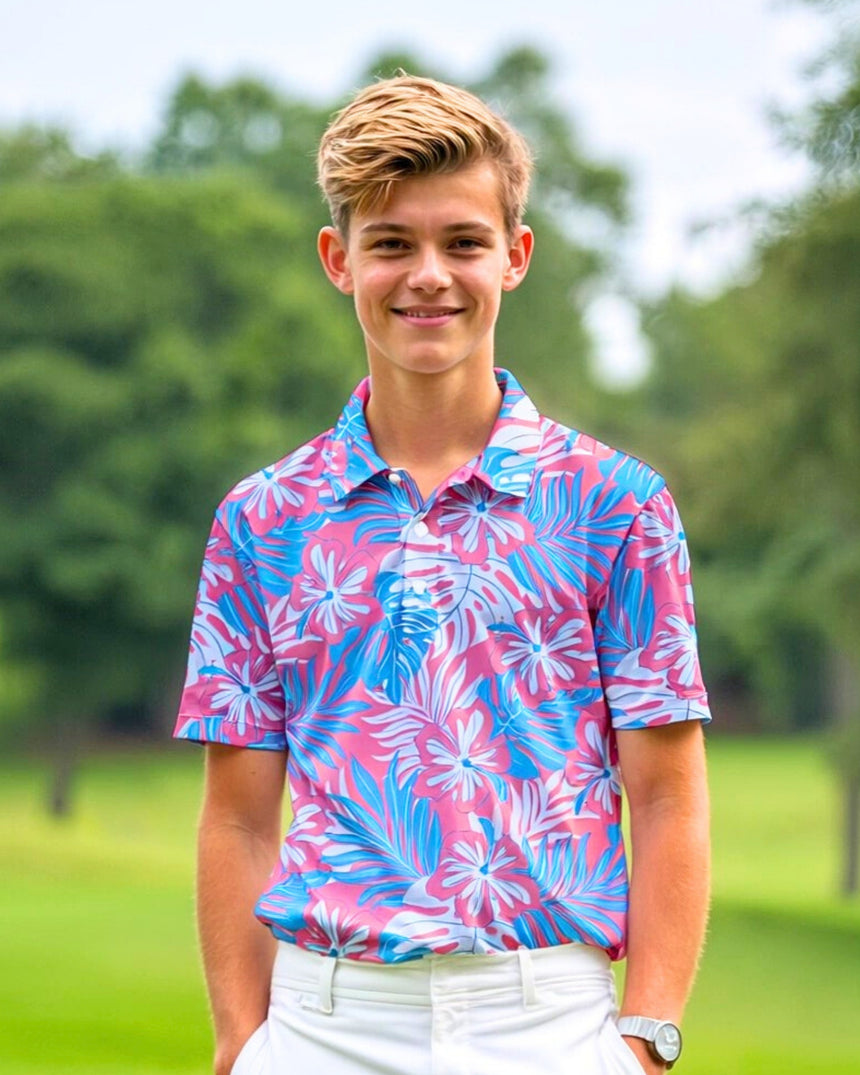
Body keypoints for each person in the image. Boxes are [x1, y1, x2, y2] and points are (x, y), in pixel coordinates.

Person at [174, 74, 711, 1075]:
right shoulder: (261, 521)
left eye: (461, 241)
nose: (428, 274)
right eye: (391, 244)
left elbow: (670, 797)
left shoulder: (615, 503)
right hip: (322, 1022)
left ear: (513, 256)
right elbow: (239, 812)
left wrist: (646, 1039)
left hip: (550, 1021)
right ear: (339, 260)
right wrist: (241, 1044)